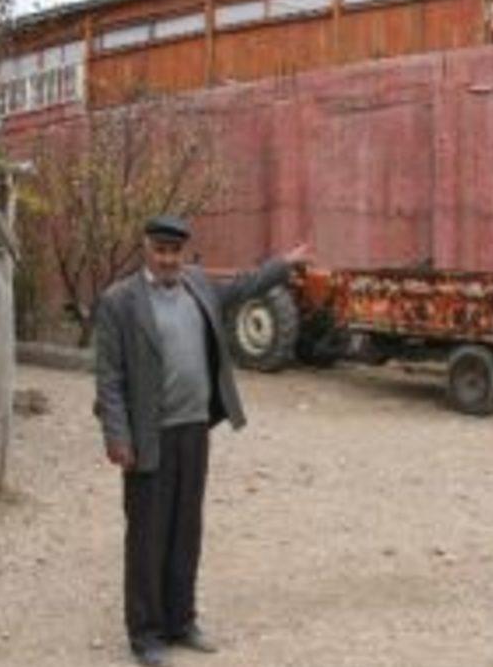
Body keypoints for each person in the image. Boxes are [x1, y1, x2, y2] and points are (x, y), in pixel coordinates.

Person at [94, 215, 311, 666]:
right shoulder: (119, 301)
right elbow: (109, 378)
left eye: (174, 251)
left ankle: (182, 620)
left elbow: (244, 287)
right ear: (145, 248)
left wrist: (282, 266)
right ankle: (146, 635)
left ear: (183, 253)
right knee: (147, 537)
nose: (167, 259)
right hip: (148, 437)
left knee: (185, 531)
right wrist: (117, 436)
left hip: (194, 430)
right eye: (160, 250)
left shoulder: (196, 285)